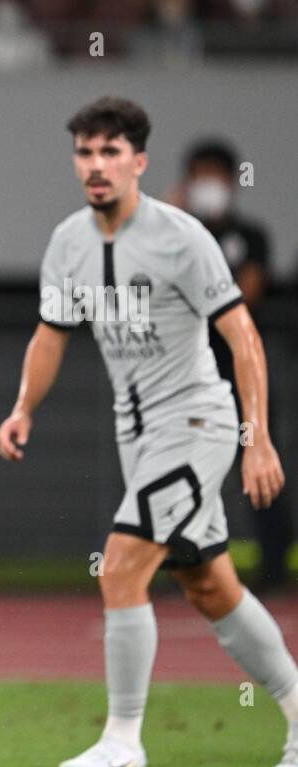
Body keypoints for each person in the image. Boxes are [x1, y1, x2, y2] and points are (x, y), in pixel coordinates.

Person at [0, 96, 298, 767]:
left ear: (139, 162)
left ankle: (123, 739)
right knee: (209, 585)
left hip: (197, 424)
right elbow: (51, 334)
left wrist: (256, 438)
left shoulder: (182, 237)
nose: (95, 165)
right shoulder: (68, 241)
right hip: (137, 436)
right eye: (85, 152)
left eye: (110, 152)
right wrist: (23, 409)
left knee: (121, 564)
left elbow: (242, 335)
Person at [176, 138, 293, 592]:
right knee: (183, 469)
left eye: (216, 175)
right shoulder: (178, 236)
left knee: (258, 460)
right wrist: (169, 222)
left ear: (233, 181)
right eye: (199, 175)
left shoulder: (251, 237)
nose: (208, 184)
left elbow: (248, 295)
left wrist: (206, 300)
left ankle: (274, 567)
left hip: (241, 374)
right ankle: (184, 563)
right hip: (188, 375)